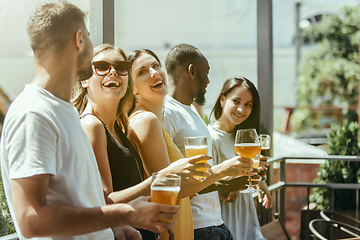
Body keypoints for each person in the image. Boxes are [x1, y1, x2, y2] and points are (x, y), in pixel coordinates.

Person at [0, 1, 180, 239]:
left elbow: (80, 199)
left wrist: (114, 228)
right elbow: (31, 220)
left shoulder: (66, 113)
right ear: (79, 40)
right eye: (89, 37)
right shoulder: (33, 113)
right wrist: (123, 214)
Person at [72, 43, 210, 240]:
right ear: (85, 79)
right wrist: (163, 178)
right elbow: (105, 202)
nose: (113, 72)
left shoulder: (119, 128)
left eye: (120, 67)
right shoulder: (92, 125)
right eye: (102, 66)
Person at [130, 47, 253, 240]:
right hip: (188, 230)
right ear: (132, 88)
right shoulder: (149, 120)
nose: (154, 73)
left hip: (201, 226)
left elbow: (182, 182)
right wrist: (223, 172)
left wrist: (221, 182)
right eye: (142, 71)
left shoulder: (178, 113)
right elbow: (166, 186)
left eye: (155, 65)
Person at [208, 76, 272, 240]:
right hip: (225, 217)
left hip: (245, 214)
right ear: (222, 99)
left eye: (248, 104)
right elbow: (206, 187)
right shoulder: (211, 137)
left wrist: (261, 183)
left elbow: (247, 169)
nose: (241, 109)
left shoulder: (244, 137)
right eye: (236, 101)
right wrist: (234, 185)